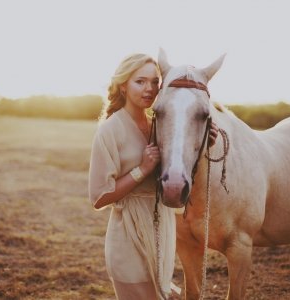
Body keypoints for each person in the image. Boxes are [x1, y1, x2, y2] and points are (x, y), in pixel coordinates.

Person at [88, 53, 218, 300]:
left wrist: (202, 143)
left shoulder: (159, 125)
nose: (150, 89)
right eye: (140, 81)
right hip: (129, 235)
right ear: (123, 85)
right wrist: (142, 170)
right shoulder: (109, 130)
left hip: (162, 231)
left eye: (155, 82)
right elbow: (99, 197)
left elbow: (175, 174)